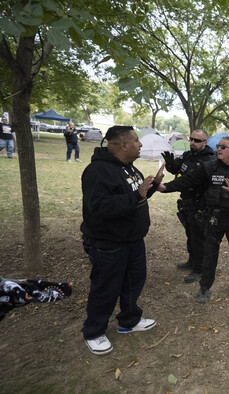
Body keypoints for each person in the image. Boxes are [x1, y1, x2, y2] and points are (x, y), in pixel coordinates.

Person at [80, 126, 164, 356]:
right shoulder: (98, 171)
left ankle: (128, 321)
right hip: (109, 243)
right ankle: (94, 332)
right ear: (123, 145)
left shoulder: (128, 168)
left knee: (132, 283)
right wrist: (137, 195)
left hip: (133, 240)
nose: (141, 145)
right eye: (136, 141)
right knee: (105, 288)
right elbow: (99, 208)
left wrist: (152, 186)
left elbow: (135, 197)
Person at [159, 136, 229, 303]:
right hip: (215, 218)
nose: (218, 149)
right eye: (219, 146)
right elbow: (187, 180)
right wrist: (165, 187)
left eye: (223, 147)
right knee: (209, 255)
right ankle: (204, 288)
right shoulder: (210, 167)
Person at [161, 129, 215, 283]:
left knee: (199, 237)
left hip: (200, 203)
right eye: (191, 139)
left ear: (205, 142)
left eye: (197, 140)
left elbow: (191, 180)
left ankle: (199, 269)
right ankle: (192, 261)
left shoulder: (209, 160)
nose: (192, 142)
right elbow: (177, 169)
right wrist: (171, 165)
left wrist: (166, 187)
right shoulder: (187, 155)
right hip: (187, 201)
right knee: (190, 234)